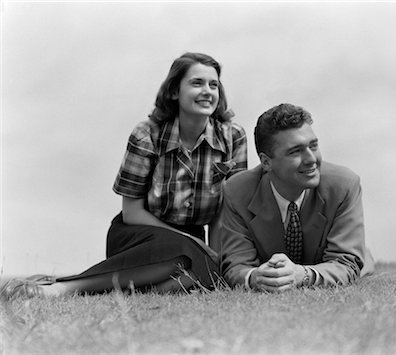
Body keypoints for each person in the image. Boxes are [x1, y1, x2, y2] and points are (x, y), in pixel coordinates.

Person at [2, 52, 247, 299]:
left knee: (206, 274)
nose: (208, 91)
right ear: (174, 91)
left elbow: (227, 209)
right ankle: (62, 289)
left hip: (193, 241)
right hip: (138, 233)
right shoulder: (146, 135)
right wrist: (192, 242)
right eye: (197, 83)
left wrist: (215, 253)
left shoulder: (233, 137)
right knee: (182, 251)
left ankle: (103, 293)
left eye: (213, 85)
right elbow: (132, 212)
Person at [211, 103, 374, 291]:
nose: (311, 159)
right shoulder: (236, 191)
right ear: (266, 162)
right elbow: (236, 264)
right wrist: (255, 277)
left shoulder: (344, 186)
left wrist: (303, 275)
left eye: (313, 146)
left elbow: (346, 262)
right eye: (295, 151)